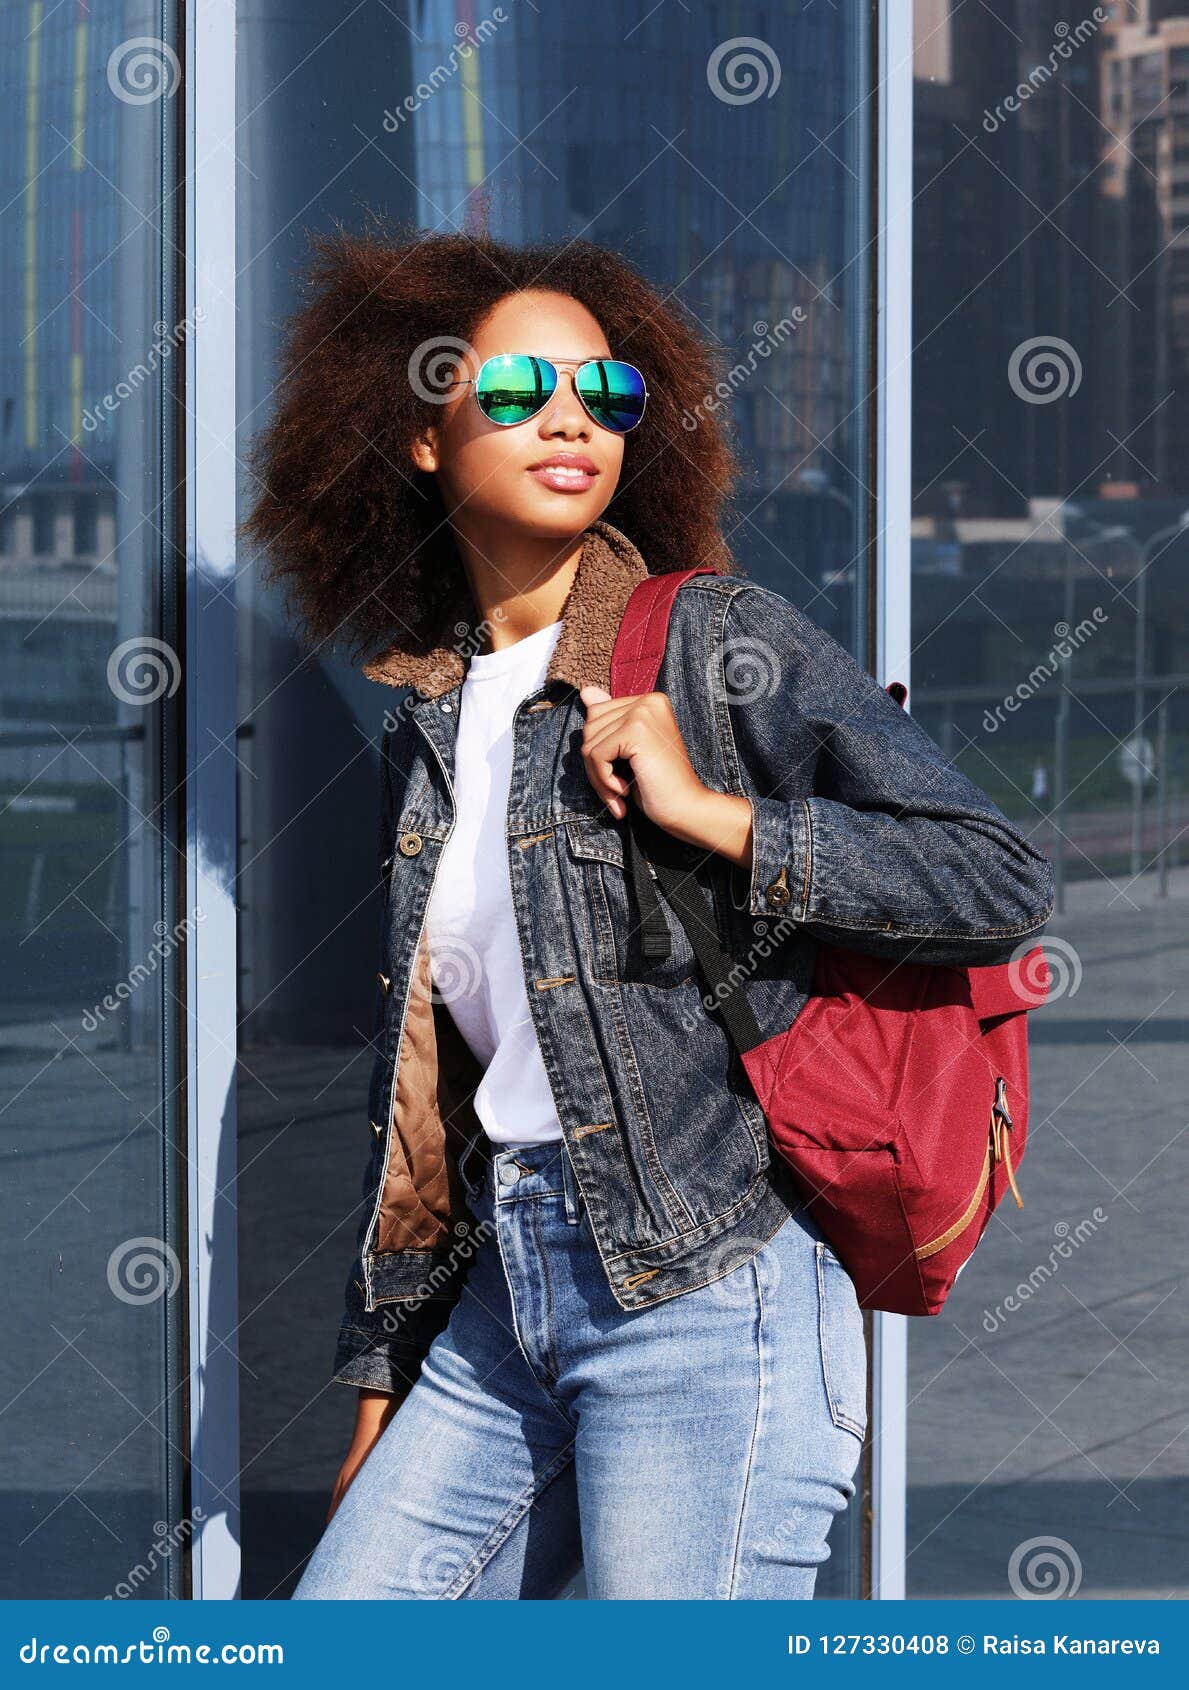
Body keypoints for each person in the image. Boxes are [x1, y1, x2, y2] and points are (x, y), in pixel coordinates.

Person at [240, 227, 1054, 1600]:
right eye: (513, 393)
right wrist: (383, 1368)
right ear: (420, 434)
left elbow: (993, 876)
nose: (568, 419)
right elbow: (429, 1094)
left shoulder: (710, 640)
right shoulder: (425, 721)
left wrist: (713, 812)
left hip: (711, 1297)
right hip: (506, 1303)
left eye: (604, 396)